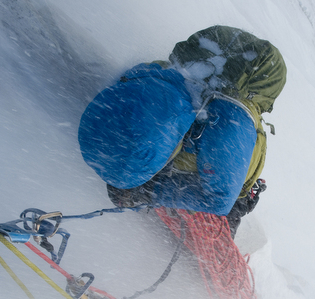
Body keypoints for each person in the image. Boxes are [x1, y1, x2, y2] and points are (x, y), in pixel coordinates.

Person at [78, 26, 286, 235]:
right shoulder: (146, 81)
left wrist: (149, 189)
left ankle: (240, 194)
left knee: (229, 185)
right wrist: (141, 186)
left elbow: (220, 201)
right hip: (221, 57)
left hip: (253, 79)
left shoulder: (225, 129)